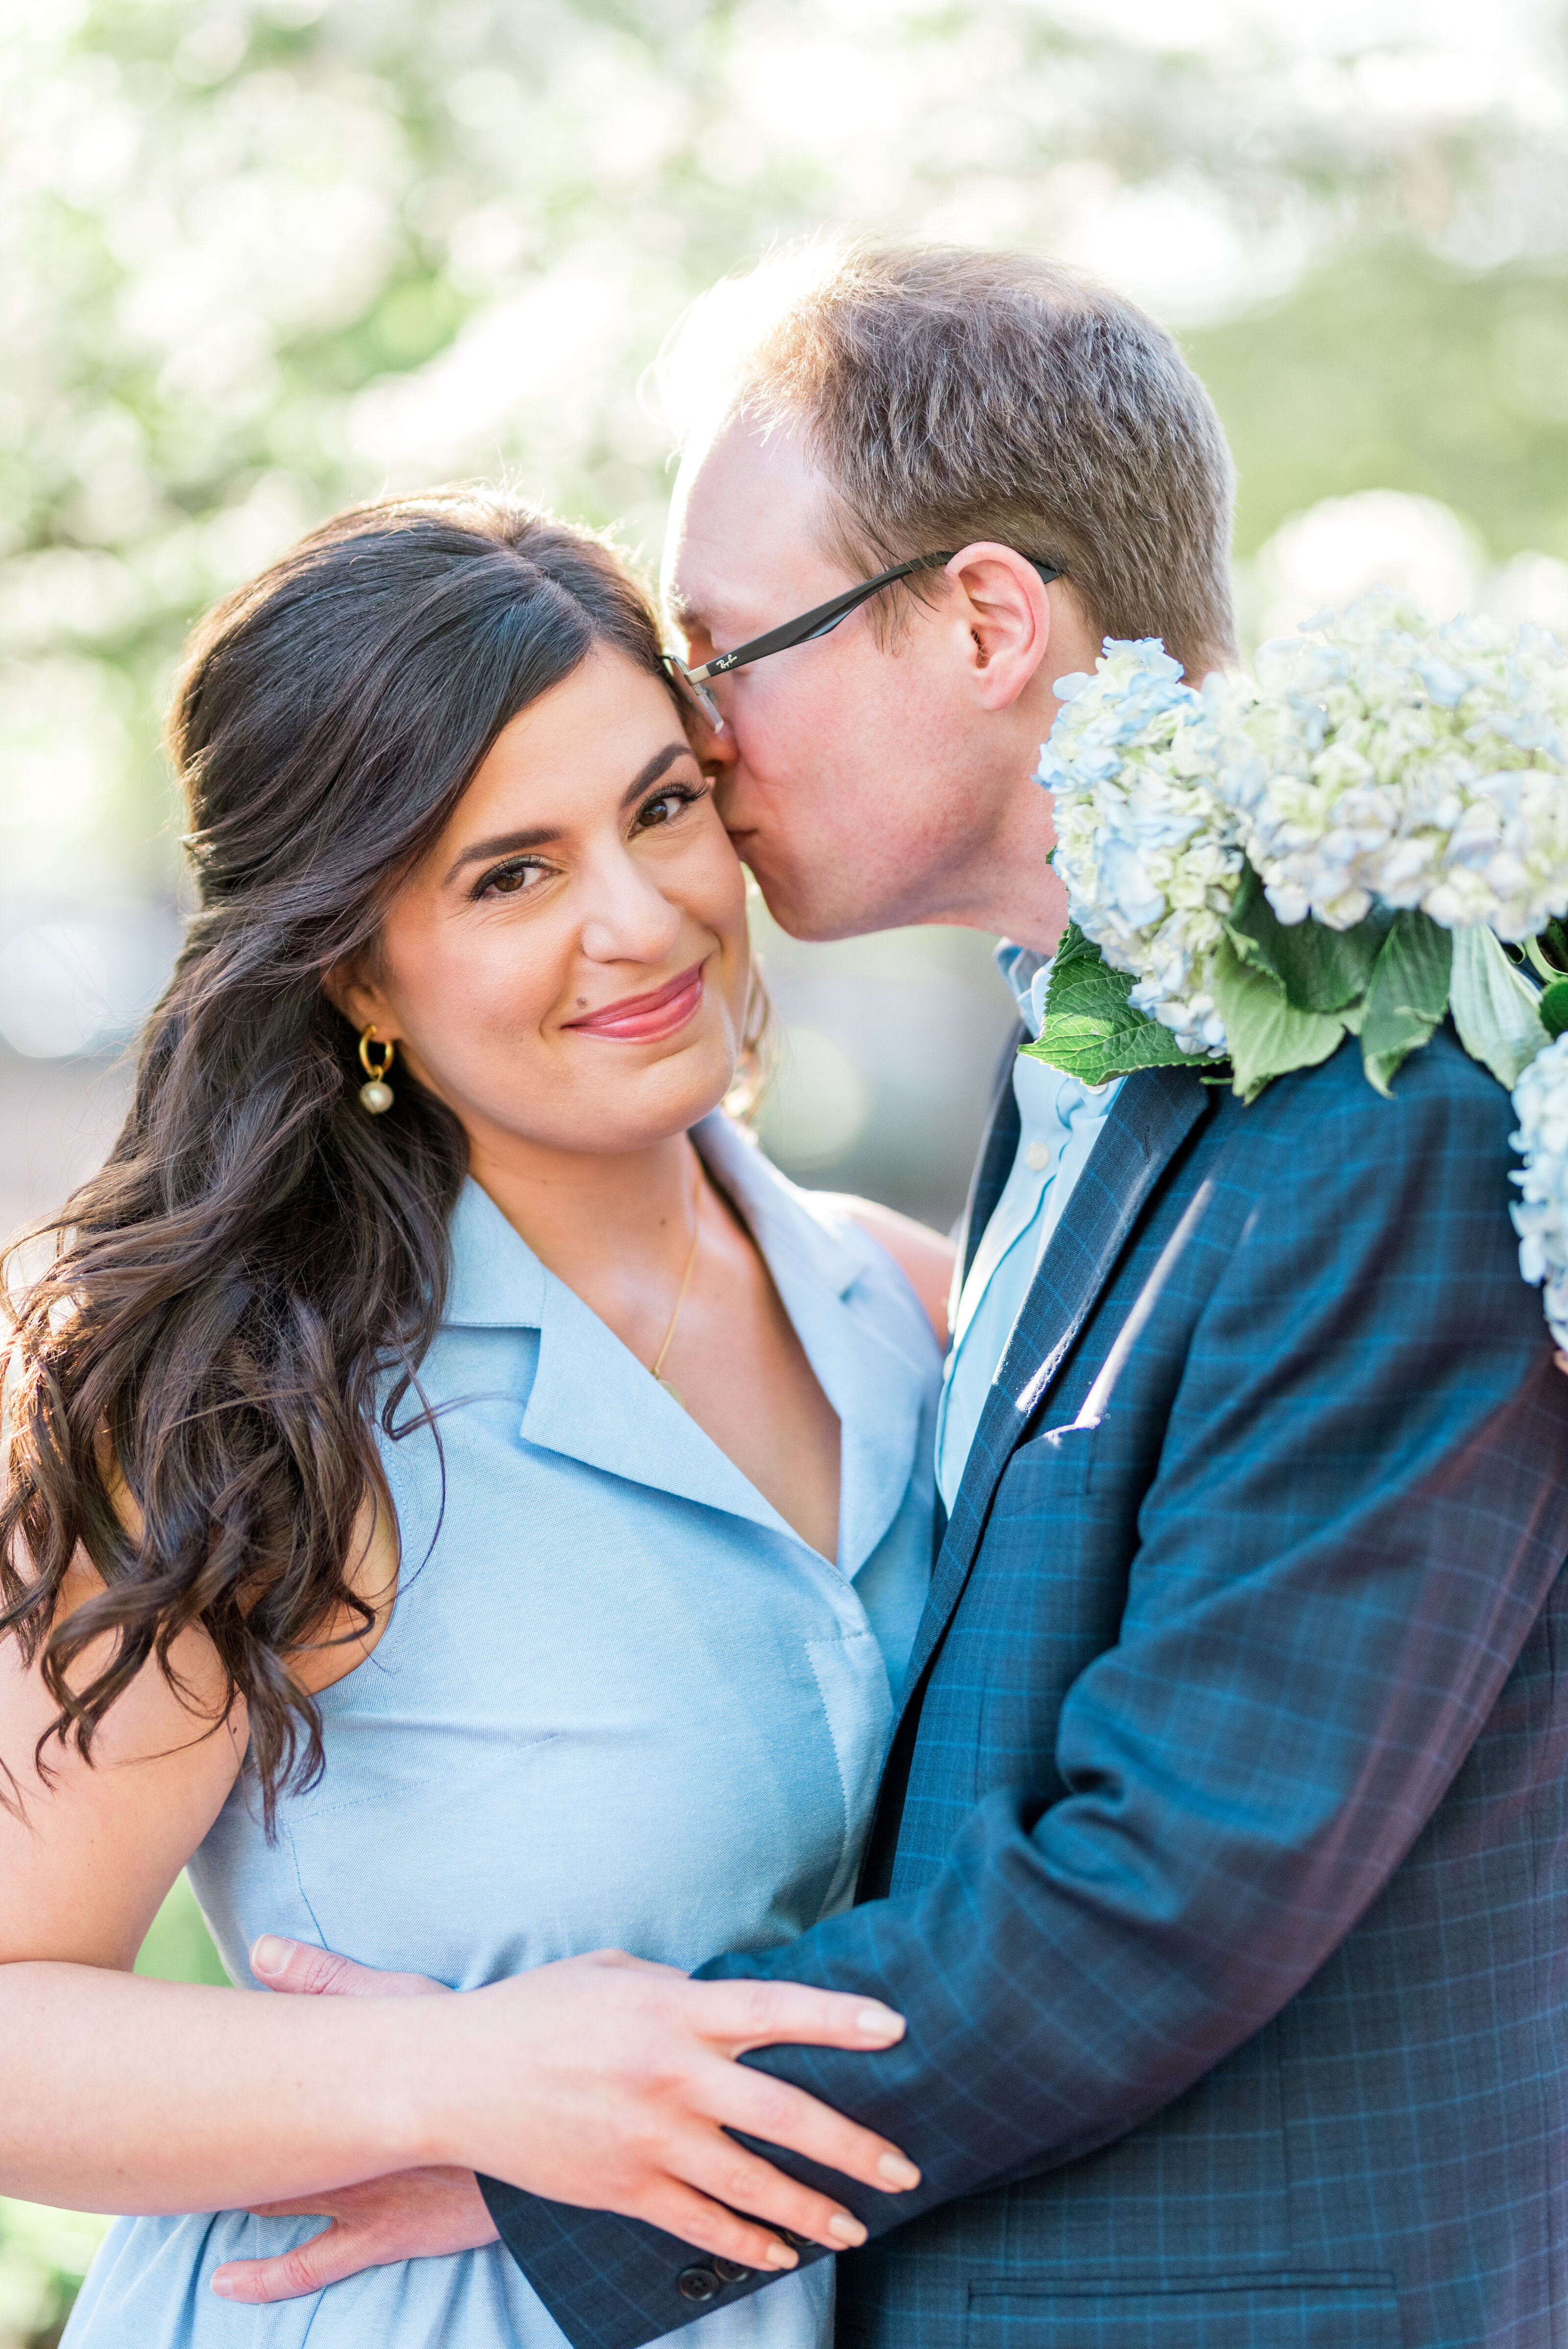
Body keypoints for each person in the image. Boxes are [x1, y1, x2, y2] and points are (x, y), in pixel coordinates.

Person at [233, 246, 1568, 2349]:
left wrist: (566, 2150)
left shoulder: (1379, 1111)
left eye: (724, 650)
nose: (695, 729)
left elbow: (1179, 1873)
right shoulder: (1085, 1061)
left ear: (979, 618)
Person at [0, 491, 955, 2347]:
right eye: (507, 875)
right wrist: (461, 2077)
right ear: (358, 967)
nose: (639, 916)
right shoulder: (262, 1403)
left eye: (662, 806)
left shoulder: (907, 1304)